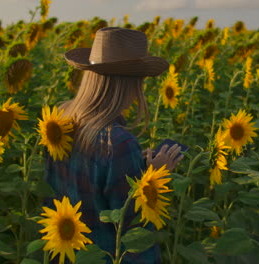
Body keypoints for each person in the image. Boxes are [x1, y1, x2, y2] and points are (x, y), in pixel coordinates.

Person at [44, 27, 184, 264]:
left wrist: (135, 167)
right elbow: (131, 227)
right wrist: (155, 177)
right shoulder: (119, 143)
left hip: (66, 252)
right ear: (130, 84)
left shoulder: (60, 121)